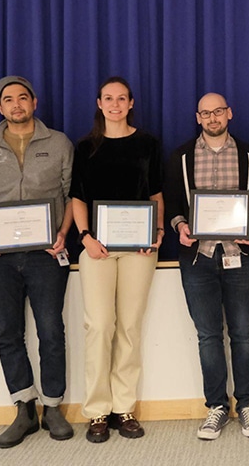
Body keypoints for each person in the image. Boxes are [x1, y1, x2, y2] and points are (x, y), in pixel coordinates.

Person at [0, 76, 75, 448]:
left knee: (50, 331)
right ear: (0, 108)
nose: (16, 105)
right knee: (8, 332)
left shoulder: (58, 142)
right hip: (0, 255)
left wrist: (62, 234)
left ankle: (53, 405)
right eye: (8, 100)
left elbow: (70, 192)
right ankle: (24, 406)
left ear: (34, 102)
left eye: (22, 98)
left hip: (47, 253)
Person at [164, 92, 249, 440]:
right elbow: (174, 202)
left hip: (241, 255)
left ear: (229, 113)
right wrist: (180, 226)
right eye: (205, 113)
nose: (212, 118)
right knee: (208, 336)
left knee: (242, 332)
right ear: (198, 117)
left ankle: (247, 404)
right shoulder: (181, 156)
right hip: (198, 257)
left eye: (218, 111)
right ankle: (217, 407)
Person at [70, 77, 163, 443]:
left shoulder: (148, 144)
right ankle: (97, 412)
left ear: (130, 103)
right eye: (108, 98)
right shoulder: (85, 147)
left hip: (139, 249)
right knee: (99, 327)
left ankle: (124, 408)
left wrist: (155, 233)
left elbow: (156, 193)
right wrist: (85, 237)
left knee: (129, 327)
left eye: (121, 98)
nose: (114, 104)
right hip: (97, 249)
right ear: (99, 103)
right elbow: (77, 197)